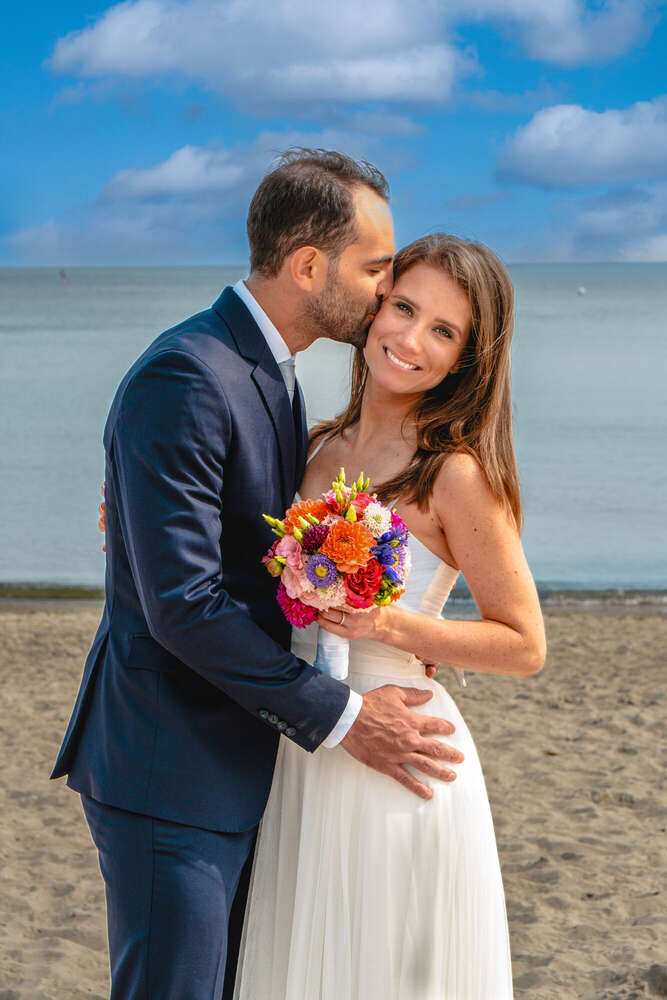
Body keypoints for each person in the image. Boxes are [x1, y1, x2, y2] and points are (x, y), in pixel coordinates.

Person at [51, 150, 463, 1000]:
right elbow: (186, 606)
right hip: (172, 766)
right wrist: (347, 717)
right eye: (375, 266)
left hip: (238, 760)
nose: (385, 291)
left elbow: (247, 548)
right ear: (309, 266)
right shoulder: (189, 374)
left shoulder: (268, 374)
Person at [233, 234, 546, 999]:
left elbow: (522, 644)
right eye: (403, 308)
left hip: (399, 748)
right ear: (374, 307)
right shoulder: (310, 444)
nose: (409, 339)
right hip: (306, 739)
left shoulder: (454, 473)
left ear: (466, 360)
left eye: (442, 331)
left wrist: (391, 627)